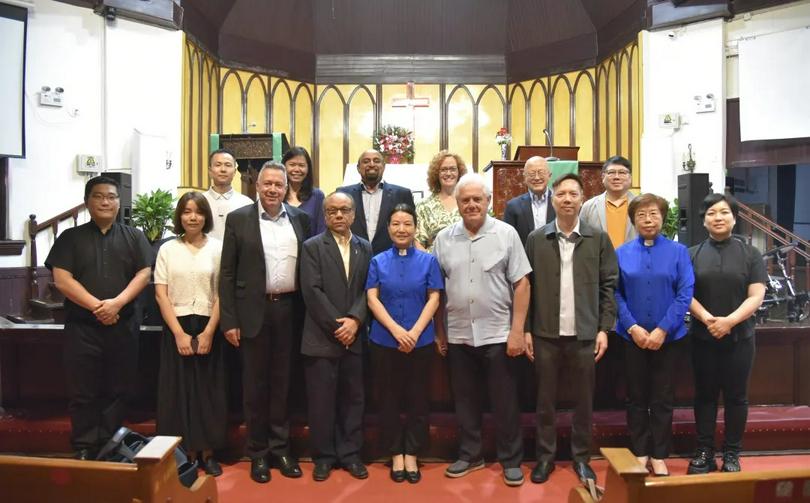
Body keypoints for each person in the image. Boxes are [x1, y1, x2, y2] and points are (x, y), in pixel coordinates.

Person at [433, 173, 531, 487]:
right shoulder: (444, 238)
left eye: (478, 199)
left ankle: (511, 459)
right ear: (457, 204)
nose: (472, 204)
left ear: (489, 201)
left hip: (498, 334)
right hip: (459, 333)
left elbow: (522, 284)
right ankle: (470, 454)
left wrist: (517, 331)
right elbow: (436, 289)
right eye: (465, 200)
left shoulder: (506, 234)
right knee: (464, 401)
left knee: (505, 401)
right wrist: (439, 331)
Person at [45, 175, 153, 460]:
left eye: (111, 197)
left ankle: (110, 443)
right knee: (83, 389)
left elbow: (145, 273)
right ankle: (83, 445)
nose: (105, 201)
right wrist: (98, 307)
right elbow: (62, 279)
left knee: (119, 387)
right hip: (82, 327)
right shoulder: (70, 238)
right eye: (98, 196)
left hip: (123, 324)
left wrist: (116, 304)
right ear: (87, 202)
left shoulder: (135, 236)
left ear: (119, 202)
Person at [219, 161, 310, 483]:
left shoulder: (301, 219)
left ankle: (281, 449)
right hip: (252, 313)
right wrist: (229, 319)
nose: (273, 189)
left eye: (279, 185)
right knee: (255, 386)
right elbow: (227, 272)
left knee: (283, 384)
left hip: (289, 311)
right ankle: (258, 453)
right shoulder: (238, 219)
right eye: (267, 184)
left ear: (287, 188)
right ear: (257, 185)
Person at [523, 173, 618, 485]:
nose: (566, 199)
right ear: (553, 199)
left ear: (582, 199)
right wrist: (525, 329)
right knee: (544, 401)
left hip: (585, 333)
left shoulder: (598, 238)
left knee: (583, 402)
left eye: (573, 194)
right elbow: (526, 287)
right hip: (545, 333)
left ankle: (581, 458)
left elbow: (608, 287)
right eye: (561, 193)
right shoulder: (537, 238)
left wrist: (604, 328)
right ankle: (545, 458)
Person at [614, 193, 694, 477]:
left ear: (663, 217)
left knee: (662, 399)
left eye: (654, 214)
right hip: (631, 337)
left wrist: (662, 329)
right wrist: (633, 327)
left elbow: (685, 293)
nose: (648, 220)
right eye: (641, 215)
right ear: (633, 220)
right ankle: (640, 451)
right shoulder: (621, 253)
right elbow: (615, 294)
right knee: (636, 398)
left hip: (669, 339)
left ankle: (660, 454)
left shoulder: (678, 252)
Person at [687, 193, 766, 474]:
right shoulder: (692, 253)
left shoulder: (751, 254)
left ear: (734, 218)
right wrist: (709, 319)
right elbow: (685, 293)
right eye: (711, 213)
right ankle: (704, 452)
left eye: (723, 212)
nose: (717, 218)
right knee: (705, 396)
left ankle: (732, 453)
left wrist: (729, 322)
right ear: (703, 219)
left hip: (740, 337)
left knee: (736, 397)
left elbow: (756, 295)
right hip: (702, 336)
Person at [366, 204, 443, 483]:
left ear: (415, 228)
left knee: (417, 398)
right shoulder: (377, 261)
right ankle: (394, 451)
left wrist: (415, 331)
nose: (402, 229)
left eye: (407, 224)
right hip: (385, 340)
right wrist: (398, 331)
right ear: (388, 228)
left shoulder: (428, 260)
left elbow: (434, 297)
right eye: (396, 224)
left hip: (419, 340)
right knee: (387, 398)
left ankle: (412, 451)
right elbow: (372, 298)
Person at [300, 191, 372, 482]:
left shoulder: (365, 247)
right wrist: (337, 326)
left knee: (353, 400)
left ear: (354, 214)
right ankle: (324, 457)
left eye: (344, 210)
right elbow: (311, 291)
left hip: (355, 337)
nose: (339, 215)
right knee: (321, 402)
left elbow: (370, 288)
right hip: (321, 338)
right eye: (332, 211)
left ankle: (351, 454)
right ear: (325, 215)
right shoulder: (312, 247)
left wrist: (355, 320)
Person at [154, 192, 227, 476]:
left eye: (198, 212)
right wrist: (179, 334)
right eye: (186, 212)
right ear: (179, 216)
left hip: (209, 324)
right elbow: (161, 294)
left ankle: (208, 452)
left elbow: (223, 292)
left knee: (208, 391)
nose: (192, 217)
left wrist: (209, 332)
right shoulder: (167, 250)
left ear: (206, 216)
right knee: (178, 392)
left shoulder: (218, 248)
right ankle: (184, 454)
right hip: (177, 325)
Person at [338, 149, 415, 255]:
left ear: (384, 166)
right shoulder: (343, 194)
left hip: (390, 259)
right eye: (366, 161)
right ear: (358, 168)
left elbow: (411, 228)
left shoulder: (402, 194)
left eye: (376, 161)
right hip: (352, 258)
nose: (371, 164)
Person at [580, 155, 637, 250]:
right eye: (611, 173)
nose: (617, 177)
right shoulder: (588, 206)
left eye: (622, 173)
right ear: (603, 177)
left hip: (634, 262)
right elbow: (581, 239)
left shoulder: (640, 206)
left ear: (630, 178)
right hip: (599, 263)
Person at [414, 150, 467, 251]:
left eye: (452, 169)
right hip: (433, 263)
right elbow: (417, 242)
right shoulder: (423, 206)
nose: (448, 173)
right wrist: (431, 263)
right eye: (443, 170)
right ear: (436, 174)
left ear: (459, 173)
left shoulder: (468, 203)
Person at [502, 156, 556, 245]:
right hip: (524, 257)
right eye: (532, 174)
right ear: (524, 178)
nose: (537, 178)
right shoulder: (513, 206)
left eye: (541, 173)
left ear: (549, 175)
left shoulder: (560, 202)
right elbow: (507, 240)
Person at [203, 148, 254, 241]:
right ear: (210, 171)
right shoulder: (200, 201)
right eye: (218, 165)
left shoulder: (247, 203)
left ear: (234, 172)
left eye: (228, 165)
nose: (223, 169)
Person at [282, 146, 326, 236]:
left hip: (310, 249)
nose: (297, 170)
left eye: (301, 165)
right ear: (284, 167)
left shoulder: (318, 196)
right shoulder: (278, 194)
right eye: (292, 165)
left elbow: (322, 230)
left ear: (308, 169)